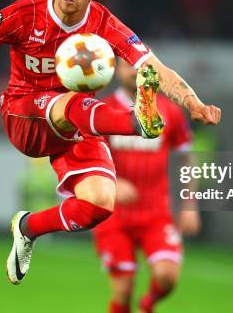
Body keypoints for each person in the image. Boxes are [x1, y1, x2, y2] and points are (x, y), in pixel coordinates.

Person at [0, 0, 221, 285]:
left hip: (77, 124)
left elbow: (155, 68)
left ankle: (27, 228)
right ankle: (136, 121)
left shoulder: (104, 25)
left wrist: (192, 103)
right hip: (25, 115)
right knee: (70, 102)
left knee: (100, 204)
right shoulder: (24, 14)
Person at [93, 60, 200, 313]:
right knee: (123, 289)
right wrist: (113, 182)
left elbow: (188, 157)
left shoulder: (169, 111)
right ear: (116, 70)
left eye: (140, 65)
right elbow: (85, 158)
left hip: (156, 213)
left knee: (167, 277)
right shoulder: (102, 110)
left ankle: (148, 304)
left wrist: (190, 204)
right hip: (114, 214)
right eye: (127, 65)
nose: (134, 70)